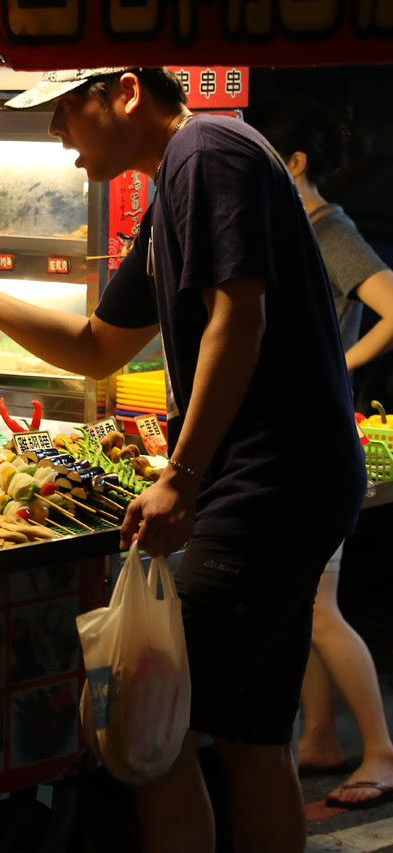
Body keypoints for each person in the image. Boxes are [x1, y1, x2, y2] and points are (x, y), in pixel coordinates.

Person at [0, 68, 365, 852]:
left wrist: (181, 476)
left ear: (125, 91)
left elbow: (240, 317)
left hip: (265, 484)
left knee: (146, 729)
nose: (55, 130)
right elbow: (97, 347)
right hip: (289, 483)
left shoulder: (207, 150)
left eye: (65, 108)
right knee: (252, 736)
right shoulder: (174, 192)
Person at [255, 101, 393, 809]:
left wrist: (339, 369)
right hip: (292, 432)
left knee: (319, 605)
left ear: (296, 163)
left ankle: (382, 752)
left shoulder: (330, 228)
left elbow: (392, 306)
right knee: (300, 601)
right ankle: (318, 739)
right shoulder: (288, 226)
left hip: (318, 439)